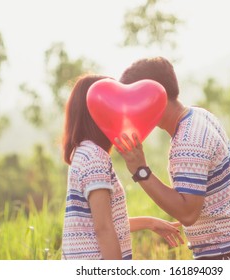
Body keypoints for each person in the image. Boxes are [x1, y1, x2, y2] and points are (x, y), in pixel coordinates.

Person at [114, 57, 230, 260]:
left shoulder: (187, 142)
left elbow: (188, 213)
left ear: (153, 96)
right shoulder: (198, 116)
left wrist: (140, 171)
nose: (132, 111)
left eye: (134, 101)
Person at [61, 74, 183, 260]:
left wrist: (150, 222)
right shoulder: (94, 157)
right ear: (95, 111)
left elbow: (102, 221)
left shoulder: (82, 152)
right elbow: (103, 228)